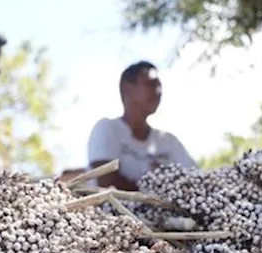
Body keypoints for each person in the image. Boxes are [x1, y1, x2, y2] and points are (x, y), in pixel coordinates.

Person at [76, 61, 198, 191]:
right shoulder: (107, 128)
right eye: (150, 84)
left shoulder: (169, 141)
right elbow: (107, 182)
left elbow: (196, 179)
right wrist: (163, 191)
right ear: (126, 88)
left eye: (159, 85)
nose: (158, 91)